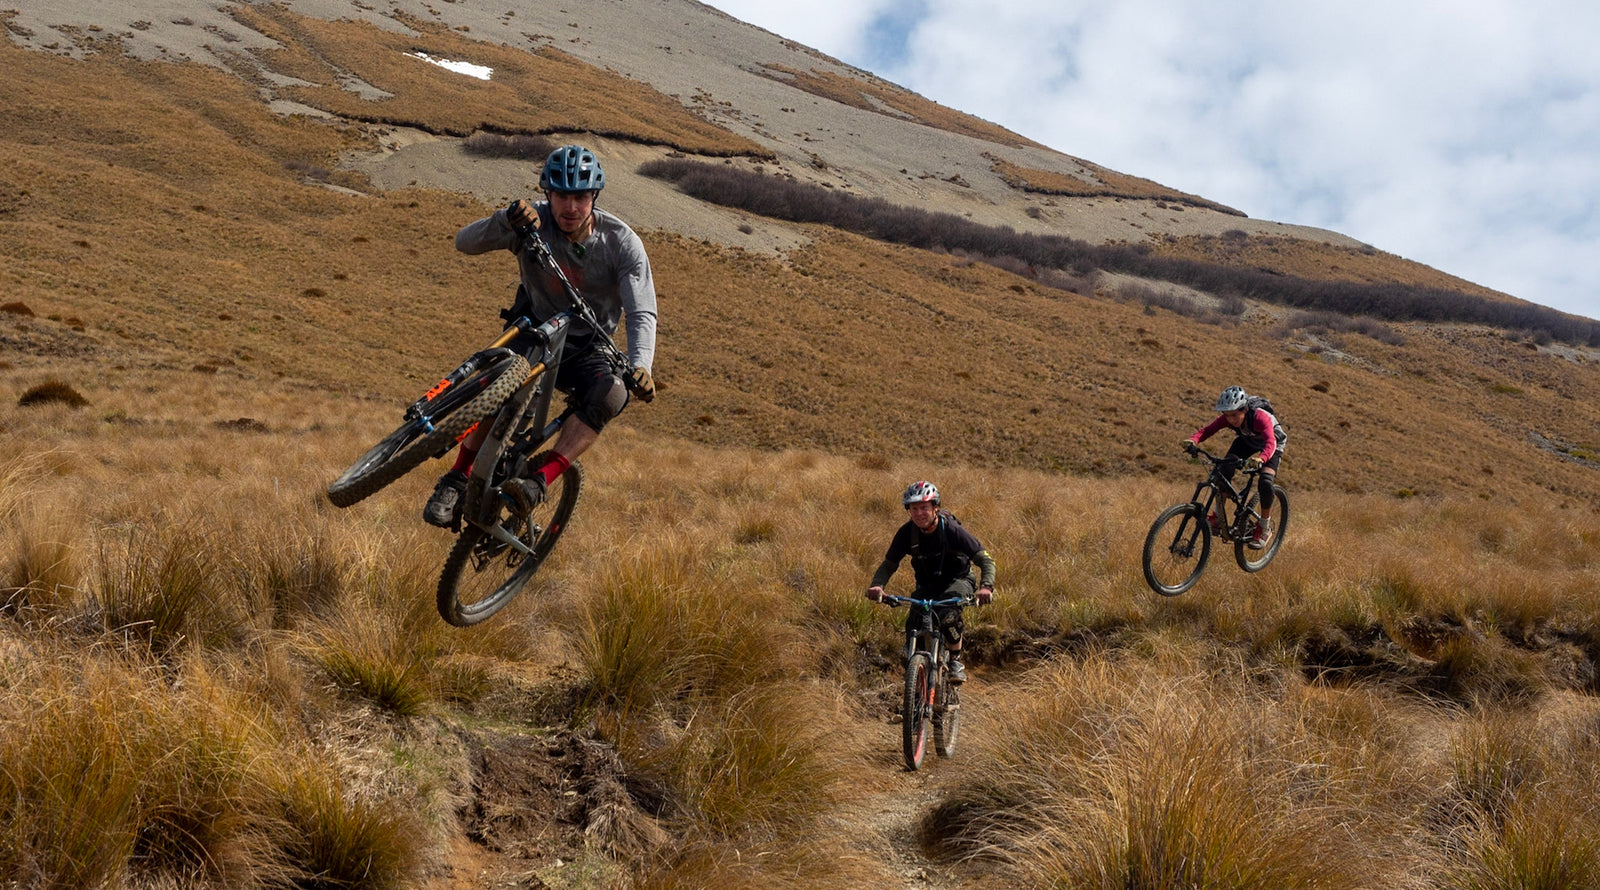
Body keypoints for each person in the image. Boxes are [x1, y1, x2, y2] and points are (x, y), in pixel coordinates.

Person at [423, 144, 658, 527]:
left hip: (589, 345)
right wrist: (504, 220)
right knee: (502, 388)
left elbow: (641, 311)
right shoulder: (530, 221)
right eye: (561, 195)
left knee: (612, 393)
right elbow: (464, 243)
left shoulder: (622, 243)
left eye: (580, 196)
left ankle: (538, 482)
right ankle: (457, 477)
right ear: (547, 193)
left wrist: (641, 365)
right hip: (534, 327)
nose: (570, 207)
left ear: (594, 196)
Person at [864, 481, 996, 683]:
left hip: (958, 580)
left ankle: (954, 660)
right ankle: (915, 682)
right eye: (914, 509)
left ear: (935, 508)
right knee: (914, 623)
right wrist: (877, 585)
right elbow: (889, 565)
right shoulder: (906, 533)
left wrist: (986, 587)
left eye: (924, 508)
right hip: (927, 586)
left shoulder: (952, 530)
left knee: (949, 616)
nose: (919, 513)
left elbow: (985, 560)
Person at [1185, 385, 1285, 548]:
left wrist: (1261, 458)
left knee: (1265, 481)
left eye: (1234, 415)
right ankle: (1217, 517)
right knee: (1223, 470)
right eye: (1227, 415)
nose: (1231, 419)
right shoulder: (1228, 418)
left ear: (1244, 409)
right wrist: (1193, 440)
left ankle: (1264, 527)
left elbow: (1271, 442)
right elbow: (1208, 430)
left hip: (1272, 444)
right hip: (1247, 441)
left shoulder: (1260, 418)